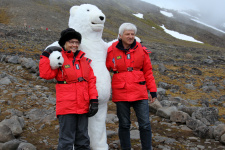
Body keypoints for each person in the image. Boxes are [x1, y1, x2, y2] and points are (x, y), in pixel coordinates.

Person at [39, 28, 98, 150]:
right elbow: (46, 74)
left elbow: (91, 81)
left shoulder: (84, 60)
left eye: (77, 42)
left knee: (83, 140)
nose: (74, 45)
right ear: (64, 43)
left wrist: (94, 100)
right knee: (66, 141)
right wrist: (46, 55)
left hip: (83, 105)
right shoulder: (58, 58)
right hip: (66, 107)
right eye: (71, 42)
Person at [106, 23, 157, 150]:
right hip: (121, 92)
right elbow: (105, 68)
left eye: (132, 34)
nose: (130, 36)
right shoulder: (111, 50)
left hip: (139, 92)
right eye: (127, 34)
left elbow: (148, 71)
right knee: (124, 124)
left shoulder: (142, 49)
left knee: (145, 124)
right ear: (120, 35)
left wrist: (153, 90)